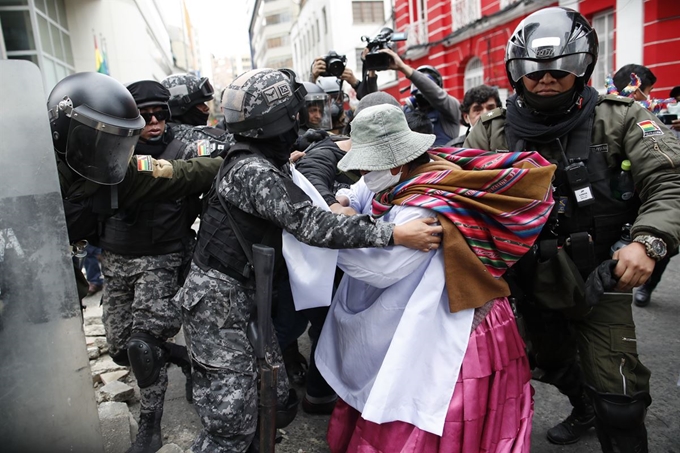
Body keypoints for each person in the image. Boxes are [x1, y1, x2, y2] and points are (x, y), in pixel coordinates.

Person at [176, 67, 442, 453]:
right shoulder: (253, 171)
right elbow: (311, 224)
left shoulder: (262, 158)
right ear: (279, 123)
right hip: (217, 308)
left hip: (246, 299)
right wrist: (392, 233)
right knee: (229, 425)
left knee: (275, 401)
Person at [465, 7, 680, 451]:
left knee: (619, 397)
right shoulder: (490, 132)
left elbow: (669, 180)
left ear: (582, 67)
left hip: (601, 273)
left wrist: (648, 242)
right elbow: (459, 198)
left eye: (561, 70)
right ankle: (582, 406)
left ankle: (605, 413)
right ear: (516, 72)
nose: (547, 79)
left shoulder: (620, 118)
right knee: (547, 360)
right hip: (521, 277)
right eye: (534, 71)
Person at [317, 103, 555, 452]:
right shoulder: (421, 172)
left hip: (453, 321)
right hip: (434, 305)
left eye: (366, 166)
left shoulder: (424, 205)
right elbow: (358, 195)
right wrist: (341, 204)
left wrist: (333, 233)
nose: (362, 175)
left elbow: (383, 267)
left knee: (428, 399)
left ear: (395, 162)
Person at [97, 80, 204, 453]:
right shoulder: (109, 145)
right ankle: (183, 357)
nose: (154, 122)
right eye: (146, 115)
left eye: (161, 113)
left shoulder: (184, 145)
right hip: (114, 257)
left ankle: (150, 427)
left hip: (161, 256)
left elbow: (226, 151)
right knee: (118, 347)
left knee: (144, 346)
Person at [49, 72, 222, 301]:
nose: (109, 151)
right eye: (100, 139)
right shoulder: (33, 175)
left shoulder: (117, 170)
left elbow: (182, 173)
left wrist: (237, 161)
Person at [378, 48, 461, 146]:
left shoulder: (451, 109)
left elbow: (435, 94)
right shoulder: (407, 111)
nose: (420, 90)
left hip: (442, 161)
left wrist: (403, 68)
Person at [161, 73, 234, 154]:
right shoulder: (201, 138)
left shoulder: (159, 137)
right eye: (200, 103)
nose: (206, 108)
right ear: (182, 107)